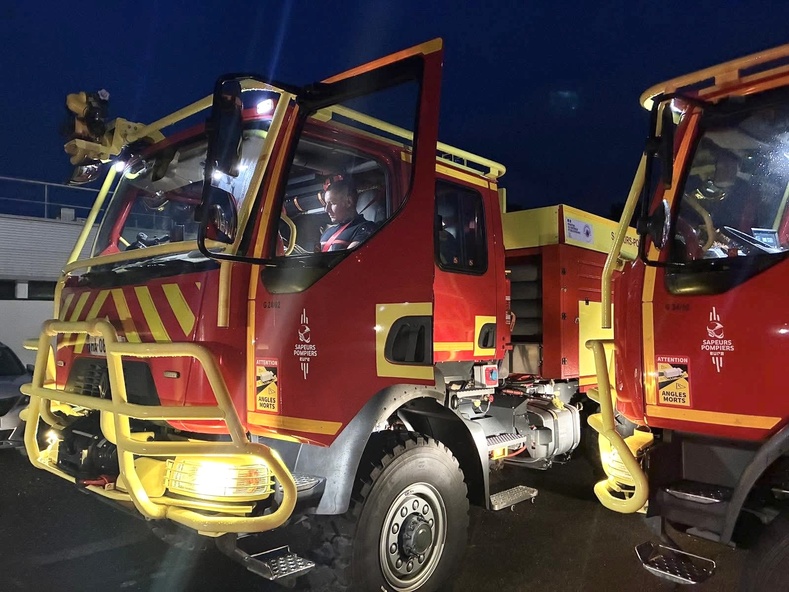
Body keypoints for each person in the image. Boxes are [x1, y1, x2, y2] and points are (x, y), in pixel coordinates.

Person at [319, 178, 377, 251]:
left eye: (333, 203)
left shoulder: (365, 229)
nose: (327, 209)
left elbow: (349, 259)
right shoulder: (327, 232)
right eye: (326, 204)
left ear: (349, 202)